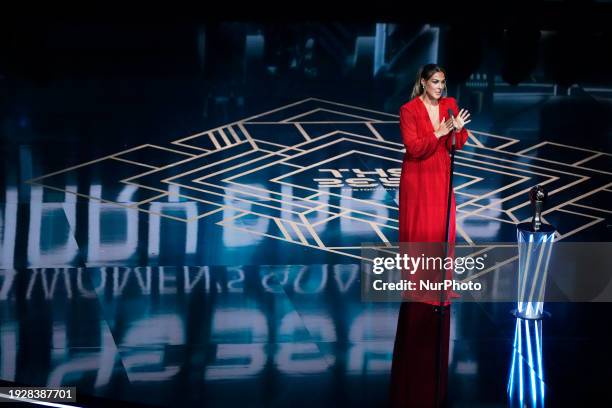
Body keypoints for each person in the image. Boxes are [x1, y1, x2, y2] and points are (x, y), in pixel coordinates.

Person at [389, 63, 471, 407]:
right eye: (435, 82)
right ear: (422, 82)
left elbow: (458, 145)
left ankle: (440, 284)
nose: (440, 87)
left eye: (443, 82)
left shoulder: (450, 105)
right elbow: (415, 147)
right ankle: (418, 285)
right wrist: (441, 130)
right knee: (421, 230)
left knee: (443, 231)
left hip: (441, 176)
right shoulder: (408, 110)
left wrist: (457, 129)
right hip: (418, 177)